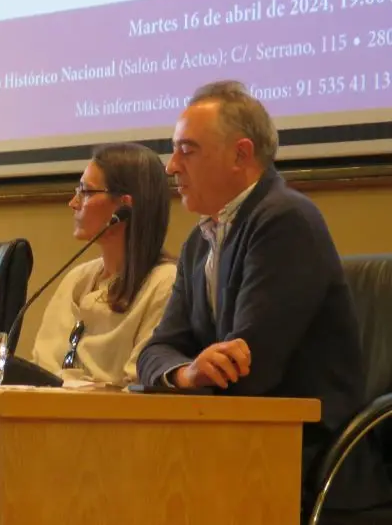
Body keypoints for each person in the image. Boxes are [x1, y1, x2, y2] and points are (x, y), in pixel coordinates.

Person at [135, 80, 391, 513]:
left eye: (187, 150)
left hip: (307, 453)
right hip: (238, 440)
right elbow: (157, 350)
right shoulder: (202, 240)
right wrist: (185, 374)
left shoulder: (285, 220)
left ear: (241, 154)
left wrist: (201, 373)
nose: (170, 167)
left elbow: (250, 370)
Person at [31, 143, 175, 386]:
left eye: (86, 192)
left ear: (124, 207)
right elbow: (40, 368)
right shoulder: (78, 277)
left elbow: (140, 383)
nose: (73, 203)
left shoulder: (164, 283)